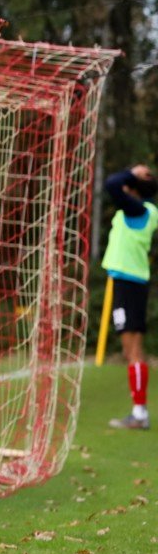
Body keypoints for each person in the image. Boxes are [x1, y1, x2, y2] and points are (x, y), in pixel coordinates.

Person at [102, 164, 158, 430]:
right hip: (131, 283)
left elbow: (112, 183)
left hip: (129, 284)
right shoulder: (142, 210)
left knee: (133, 351)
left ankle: (139, 413)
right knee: (131, 350)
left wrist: (131, 172)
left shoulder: (137, 209)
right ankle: (139, 410)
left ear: (134, 188)